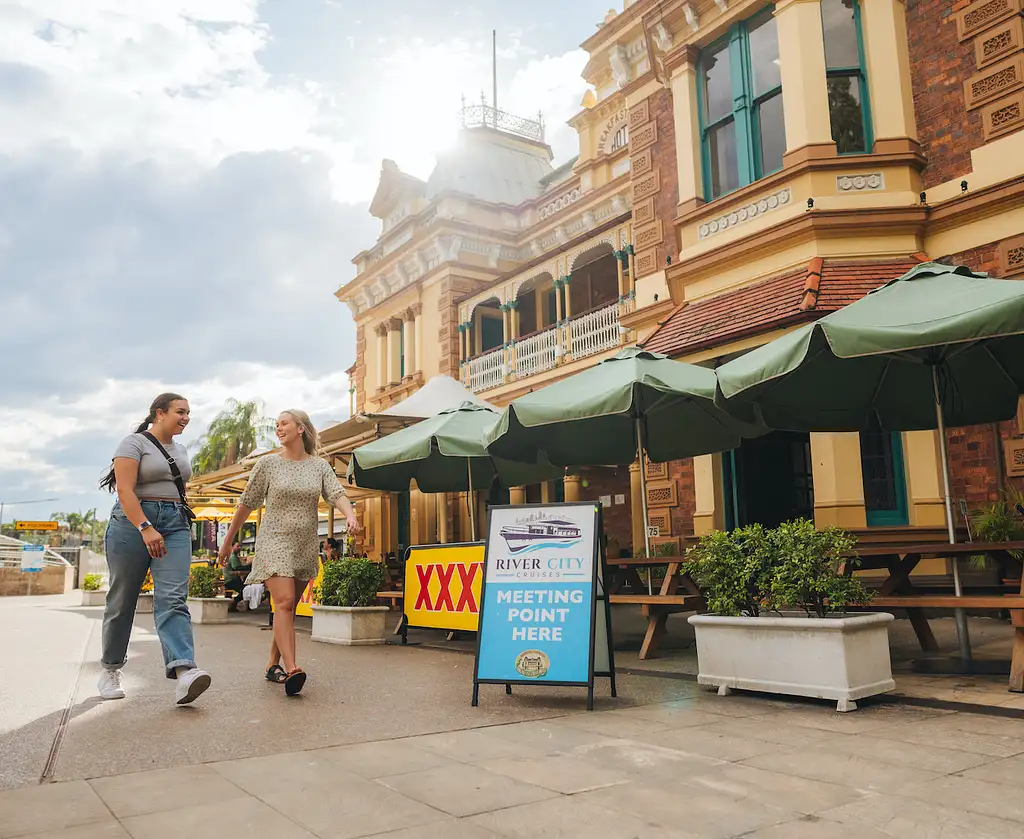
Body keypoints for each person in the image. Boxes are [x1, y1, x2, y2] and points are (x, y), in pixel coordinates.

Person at [219, 409, 359, 695]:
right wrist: (227, 540)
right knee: (284, 602)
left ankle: (273, 664)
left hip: (304, 544)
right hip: (274, 541)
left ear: (301, 429)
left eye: (284, 423)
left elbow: (336, 493)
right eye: (277, 425)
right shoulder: (268, 464)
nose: (279, 428)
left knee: (288, 607)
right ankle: (293, 668)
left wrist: (351, 515)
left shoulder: (318, 466)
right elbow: (246, 504)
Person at [98, 393, 212, 705]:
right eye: (180, 411)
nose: (186, 417)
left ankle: (184, 670)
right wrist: (145, 527)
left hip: (174, 524)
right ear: (159, 413)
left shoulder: (181, 449)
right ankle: (110, 669)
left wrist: (166, 519)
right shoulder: (133, 443)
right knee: (122, 600)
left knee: (173, 598)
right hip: (131, 525)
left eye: (189, 412)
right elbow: (124, 489)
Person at [224, 544, 252, 610]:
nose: (239, 548)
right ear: (232, 547)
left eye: (240, 546)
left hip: (229, 579)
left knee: (246, 588)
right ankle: (233, 602)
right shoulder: (233, 556)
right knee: (246, 589)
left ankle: (233, 604)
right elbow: (237, 568)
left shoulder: (231, 556)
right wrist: (249, 566)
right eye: (237, 546)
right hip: (231, 580)